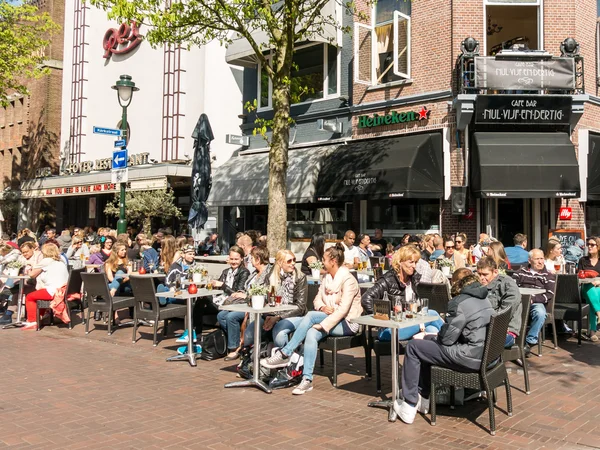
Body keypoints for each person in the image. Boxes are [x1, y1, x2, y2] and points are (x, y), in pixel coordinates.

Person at [394, 268, 494, 424]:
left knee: (414, 346)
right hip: (486, 355)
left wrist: (435, 336)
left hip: (468, 357)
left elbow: (446, 340)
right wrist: (430, 337)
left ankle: (409, 404)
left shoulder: (459, 303)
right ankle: (423, 398)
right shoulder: (485, 299)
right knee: (426, 343)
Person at [261, 243, 363, 395]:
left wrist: (322, 325)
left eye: (324, 259)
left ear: (333, 261)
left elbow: (343, 310)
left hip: (347, 322)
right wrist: (322, 308)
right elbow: (317, 301)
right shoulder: (326, 277)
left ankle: (285, 353)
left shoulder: (348, 280)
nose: (321, 262)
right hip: (328, 317)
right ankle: (307, 380)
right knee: (310, 334)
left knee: (310, 316)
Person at [175, 246, 250, 351]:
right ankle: (196, 334)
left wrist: (222, 285)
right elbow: (217, 289)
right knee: (199, 301)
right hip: (220, 301)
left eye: (236, 259)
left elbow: (237, 294)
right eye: (231, 259)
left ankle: (196, 334)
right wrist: (211, 286)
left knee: (210, 310)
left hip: (231, 303)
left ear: (242, 258)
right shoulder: (225, 271)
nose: (233, 262)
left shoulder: (244, 272)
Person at [217, 246, 272, 361]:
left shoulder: (268, 274)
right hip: (245, 304)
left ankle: (234, 348)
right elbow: (247, 288)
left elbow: (265, 295)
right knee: (221, 315)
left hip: (256, 307)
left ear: (258, 259)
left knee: (231, 316)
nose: (250, 261)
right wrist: (242, 293)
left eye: (251, 258)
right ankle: (237, 341)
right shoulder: (254, 273)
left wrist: (246, 296)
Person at [243, 250, 308, 348]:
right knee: (249, 335)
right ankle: (257, 356)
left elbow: (300, 307)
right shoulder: (271, 275)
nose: (293, 263)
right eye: (289, 261)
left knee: (279, 335)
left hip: (294, 315)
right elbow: (264, 299)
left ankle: (283, 358)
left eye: (294, 260)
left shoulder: (300, 277)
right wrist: (268, 315)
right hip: (271, 314)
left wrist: (278, 317)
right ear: (280, 263)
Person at [512, 249, 556, 354]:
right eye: (537, 259)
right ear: (530, 260)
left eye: (542, 259)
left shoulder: (548, 276)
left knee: (540, 313)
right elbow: (512, 288)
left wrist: (533, 299)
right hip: (520, 301)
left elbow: (549, 294)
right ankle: (511, 338)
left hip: (537, 302)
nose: (540, 262)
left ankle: (529, 341)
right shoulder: (519, 273)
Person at [362, 245, 422, 315]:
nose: (414, 266)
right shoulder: (388, 280)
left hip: (413, 318)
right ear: (400, 262)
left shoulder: (415, 279)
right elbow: (366, 299)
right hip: (397, 322)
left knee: (432, 318)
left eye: (416, 262)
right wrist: (385, 316)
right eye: (411, 262)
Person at [22, 243, 70, 330]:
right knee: (40, 293)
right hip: (64, 290)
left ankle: (32, 321)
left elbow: (32, 275)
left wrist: (28, 269)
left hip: (53, 291)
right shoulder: (61, 261)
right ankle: (39, 317)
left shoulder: (46, 261)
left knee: (29, 297)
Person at [477, 256, 521, 348]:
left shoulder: (507, 284)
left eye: (485, 274)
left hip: (505, 331)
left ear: (495, 272)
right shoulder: (477, 285)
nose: (481, 278)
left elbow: (505, 313)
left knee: (478, 345)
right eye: (479, 274)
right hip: (483, 329)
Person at [578, 236, 600, 341]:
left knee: (593, 298)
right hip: (585, 288)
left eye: (592, 245)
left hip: (599, 288)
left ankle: (592, 332)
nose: (589, 247)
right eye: (588, 245)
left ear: (598, 247)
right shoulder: (583, 260)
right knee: (589, 287)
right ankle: (599, 313)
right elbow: (579, 276)